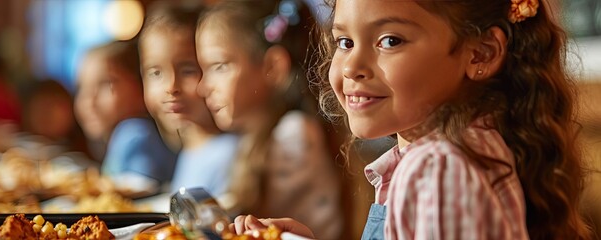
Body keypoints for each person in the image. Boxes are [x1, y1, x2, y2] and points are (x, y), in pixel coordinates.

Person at [229, 0, 593, 239]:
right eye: (345, 42)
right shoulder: (450, 155)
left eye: (390, 41)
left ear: (481, 52)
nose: (353, 67)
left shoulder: (439, 169)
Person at [195, 0, 343, 239]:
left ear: (272, 67)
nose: (203, 87)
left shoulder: (293, 134)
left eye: (219, 66)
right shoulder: (256, 136)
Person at [138, 1, 239, 197]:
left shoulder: (230, 156)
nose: (171, 87)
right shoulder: (192, 147)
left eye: (188, 70)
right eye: (156, 73)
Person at [75, 40, 177, 189]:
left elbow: (136, 195)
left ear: (140, 87)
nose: (88, 100)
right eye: (81, 87)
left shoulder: (134, 134)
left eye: (106, 83)